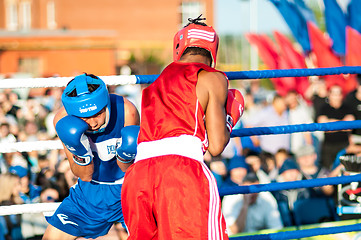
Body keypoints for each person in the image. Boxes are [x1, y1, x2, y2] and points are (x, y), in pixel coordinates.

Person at [121, 15, 244, 239]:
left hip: (138, 177)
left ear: (179, 47)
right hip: (180, 174)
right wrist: (230, 117)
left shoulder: (154, 84)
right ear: (212, 50)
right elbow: (216, 146)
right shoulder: (211, 78)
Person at [42, 73, 140, 240]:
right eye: (84, 118)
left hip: (128, 188)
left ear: (106, 103)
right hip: (91, 191)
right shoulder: (63, 120)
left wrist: (125, 157)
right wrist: (81, 152)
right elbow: (84, 175)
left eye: (98, 113)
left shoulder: (126, 110)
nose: (93, 123)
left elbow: (130, 169)